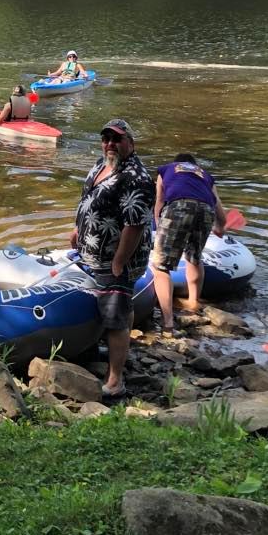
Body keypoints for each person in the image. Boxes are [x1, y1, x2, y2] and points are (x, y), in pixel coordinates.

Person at [69, 118, 155, 398]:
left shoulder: (136, 177)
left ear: (131, 142)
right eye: (106, 138)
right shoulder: (102, 164)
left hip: (116, 258)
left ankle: (115, 381)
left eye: (117, 139)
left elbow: (135, 224)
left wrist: (119, 261)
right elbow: (88, 199)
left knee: (115, 315)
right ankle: (111, 351)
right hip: (95, 251)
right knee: (116, 308)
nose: (110, 144)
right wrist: (77, 230)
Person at [151, 154, 228, 330]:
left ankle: (167, 321)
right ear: (194, 164)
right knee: (194, 257)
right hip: (206, 209)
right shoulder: (204, 175)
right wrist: (220, 227)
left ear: (176, 162)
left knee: (160, 266)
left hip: (179, 206)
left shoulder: (166, 169)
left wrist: (158, 226)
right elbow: (217, 204)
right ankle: (193, 304)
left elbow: (160, 200)